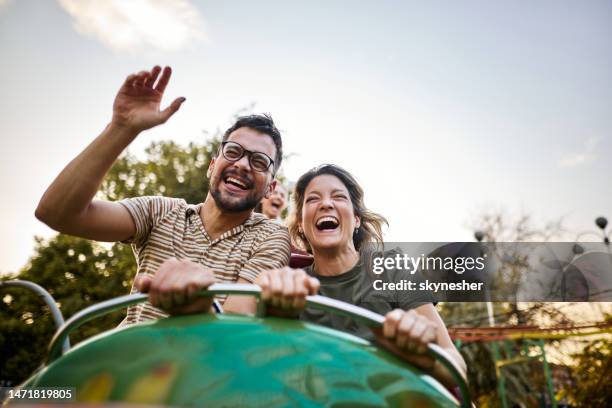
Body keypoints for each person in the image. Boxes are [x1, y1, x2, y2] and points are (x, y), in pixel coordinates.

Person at [35, 65, 290, 324]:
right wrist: (121, 127)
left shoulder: (270, 235)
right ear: (212, 165)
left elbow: (238, 322)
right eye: (233, 152)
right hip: (130, 359)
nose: (243, 165)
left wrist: (198, 306)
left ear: (270, 188)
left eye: (259, 161)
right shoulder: (161, 211)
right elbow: (57, 214)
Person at [255, 164, 466, 388]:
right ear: (300, 226)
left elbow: (456, 368)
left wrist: (427, 359)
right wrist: (272, 310)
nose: (326, 204)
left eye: (339, 197)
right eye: (313, 199)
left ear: (356, 220)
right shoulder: (291, 285)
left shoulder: (392, 269)